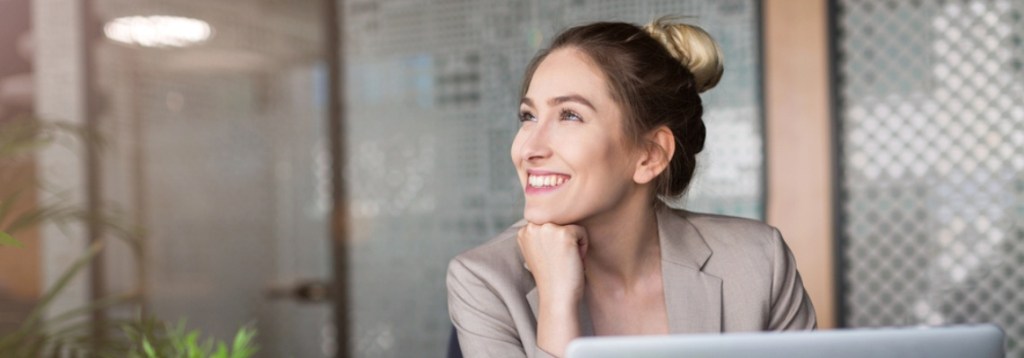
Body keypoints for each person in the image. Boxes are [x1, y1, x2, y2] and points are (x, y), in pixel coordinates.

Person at [446, 17, 816, 358]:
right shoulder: (485, 280)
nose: (528, 148)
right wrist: (557, 304)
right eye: (528, 116)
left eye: (570, 115)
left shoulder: (758, 262)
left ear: (650, 156)